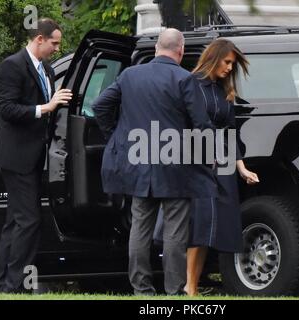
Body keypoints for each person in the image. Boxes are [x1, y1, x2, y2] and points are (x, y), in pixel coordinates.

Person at [92, 28, 217, 295]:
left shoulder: (129, 75)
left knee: (140, 227)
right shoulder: (184, 79)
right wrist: (209, 157)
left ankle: (141, 289)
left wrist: (116, 136)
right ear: (180, 51)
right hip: (175, 164)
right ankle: (174, 290)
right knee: (175, 230)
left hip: (137, 162)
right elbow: (201, 124)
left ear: (157, 48)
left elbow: (100, 105)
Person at [0, 18, 72, 293]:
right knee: (29, 220)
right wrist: (46, 107)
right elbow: (8, 110)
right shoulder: (11, 67)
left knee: (16, 221)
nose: (57, 49)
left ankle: (4, 285)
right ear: (39, 39)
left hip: (35, 157)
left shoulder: (47, 70)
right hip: (16, 157)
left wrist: (55, 102)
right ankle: (14, 286)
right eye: (54, 43)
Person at [184, 38, 260, 296]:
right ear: (214, 57)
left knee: (212, 226)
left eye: (233, 64)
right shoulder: (190, 84)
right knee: (199, 222)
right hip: (194, 161)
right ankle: (189, 286)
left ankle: (191, 285)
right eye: (227, 62)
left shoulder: (224, 91)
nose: (230, 68)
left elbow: (231, 132)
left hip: (222, 162)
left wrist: (241, 167)